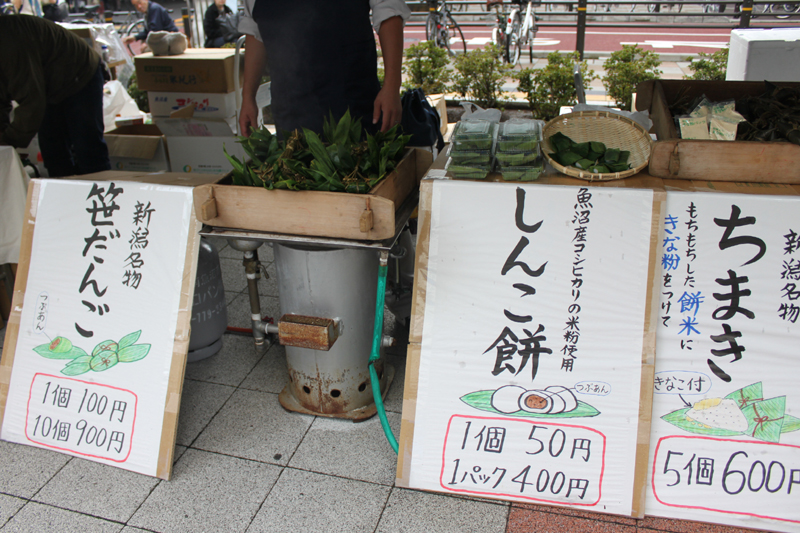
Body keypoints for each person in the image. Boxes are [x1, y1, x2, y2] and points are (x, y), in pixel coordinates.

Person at [237, 0, 411, 139]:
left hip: (351, 102)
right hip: (289, 107)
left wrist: (392, 86)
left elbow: (389, 11)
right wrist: (248, 96)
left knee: (359, 167)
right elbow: (255, 32)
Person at [0, 15, 111, 177]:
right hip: (50, 85)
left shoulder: (10, 45)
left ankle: (101, 190)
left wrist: (8, 141)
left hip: (79, 74)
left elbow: (32, 102)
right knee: (53, 153)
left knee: (88, 150)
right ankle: (63, 190)